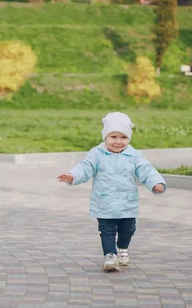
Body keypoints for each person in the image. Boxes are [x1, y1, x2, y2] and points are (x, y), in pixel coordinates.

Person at [57, 112, 166, 272]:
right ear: (105, 138)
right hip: (104, 202)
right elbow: (85, 167)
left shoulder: (133, 155)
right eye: (113, 137)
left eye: (123, 137)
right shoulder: (97, 154)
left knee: (128, 229)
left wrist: (156, 182)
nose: (118, 142)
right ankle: (110, 255)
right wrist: (72, 176)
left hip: (127, 202)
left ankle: (122, 249)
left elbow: (146, 169)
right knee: (106, 231)